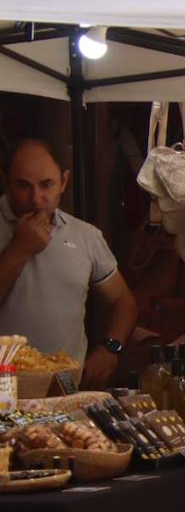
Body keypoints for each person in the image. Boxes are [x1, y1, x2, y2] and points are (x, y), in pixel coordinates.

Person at [0, 138, 137, 388]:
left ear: (63, 182)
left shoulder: (85, 236)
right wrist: (18, 250)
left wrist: (111, 349)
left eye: (47, 185)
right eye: (23, 185)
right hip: (5, 389)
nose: (36, 198)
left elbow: (123, 302)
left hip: (65, 389)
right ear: (5, 181)